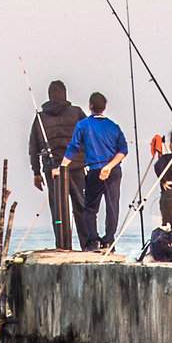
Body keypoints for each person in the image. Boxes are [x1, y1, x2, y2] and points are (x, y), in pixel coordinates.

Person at [61, 92, 127, 251]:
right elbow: (123, 150)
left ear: (90, 106)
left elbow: (73, 147)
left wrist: (62, 167)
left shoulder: (83, 125)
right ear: (104, 107)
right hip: (114, 170)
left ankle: (94, 241)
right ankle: (109, 241)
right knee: (112, 207)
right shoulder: (114, 126)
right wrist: (110, 166)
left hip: (95, 170)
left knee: (90, 207)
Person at [28, 80, 86, 250]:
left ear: (49, 95)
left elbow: (33, 147)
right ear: (65, 93)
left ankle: (62, 245)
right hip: (75, 166)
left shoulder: (40, 118)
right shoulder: (76, 113)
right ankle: (87, 244)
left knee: (58, 210)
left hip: (51, 168)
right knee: (81, 206)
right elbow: (88, 137)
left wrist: (36, 172)